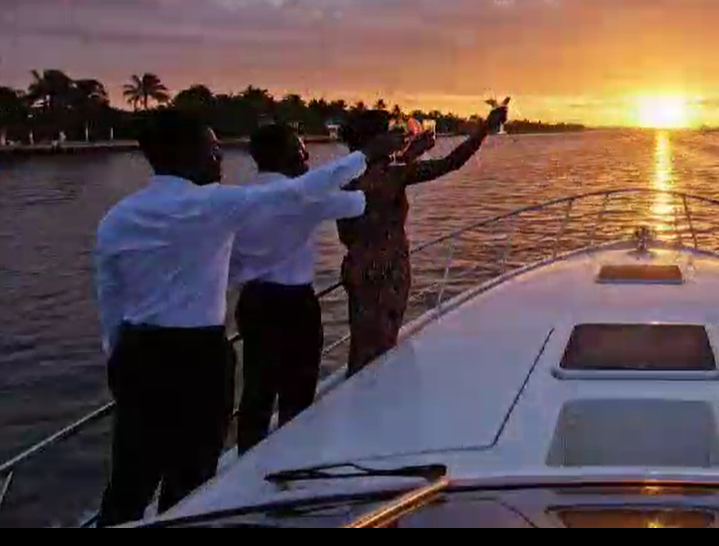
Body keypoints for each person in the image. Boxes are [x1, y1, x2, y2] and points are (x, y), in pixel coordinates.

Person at [92, 109, 404, 526]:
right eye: (213, 150)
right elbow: (299, 193)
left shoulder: (117, 218)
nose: (219, 159)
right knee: (193, 471)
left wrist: (117, 355)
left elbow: (110, 298)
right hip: (197, 353)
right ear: (186, 154)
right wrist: (365, 155)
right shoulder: (214, 204)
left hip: (136, 352)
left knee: (132, 474)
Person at [337, 103, 507, 376]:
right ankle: (374, 395)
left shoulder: (346, 174)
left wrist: (409, 154)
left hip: (361, 267)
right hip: (385, 270)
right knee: (378, 347)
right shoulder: (392, 173)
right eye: (392, 131)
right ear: (375, 140)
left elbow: (370, 194)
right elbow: (450, 163)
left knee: (366, 344)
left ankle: (365, 392)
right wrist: (485, 128)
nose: (399, 134)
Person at [227, 124, 364, 455]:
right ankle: (293, 457)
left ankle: (248, 460)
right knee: (298, 389)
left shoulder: (237, 198)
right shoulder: (303, 197)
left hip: (253, 300)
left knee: (257, 388)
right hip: (293, 303)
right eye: (301, 150)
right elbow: (357, 204)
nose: (306, 157)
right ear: (284, 155)